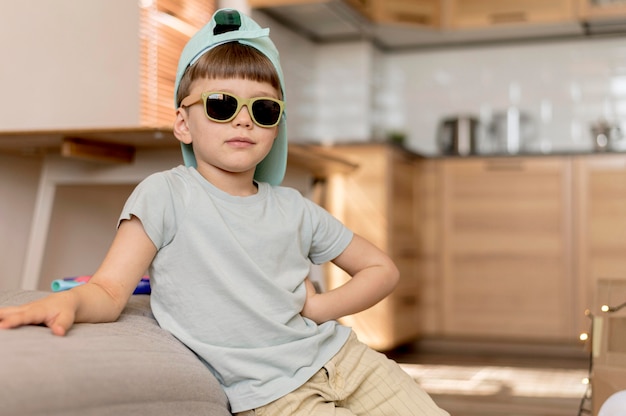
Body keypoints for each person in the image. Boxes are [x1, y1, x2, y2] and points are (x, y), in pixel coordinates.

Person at [0, 8, 449, 416]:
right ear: (183, 122)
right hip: (269, 393)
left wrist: (318, 308)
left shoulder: (294, 207)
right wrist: (68, 301)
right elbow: (108, 291)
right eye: (221, 104)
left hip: (347, 359)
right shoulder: (165, 195)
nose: (243, 120)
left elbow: (380, 269)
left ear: (277, 126)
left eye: (264, 109)